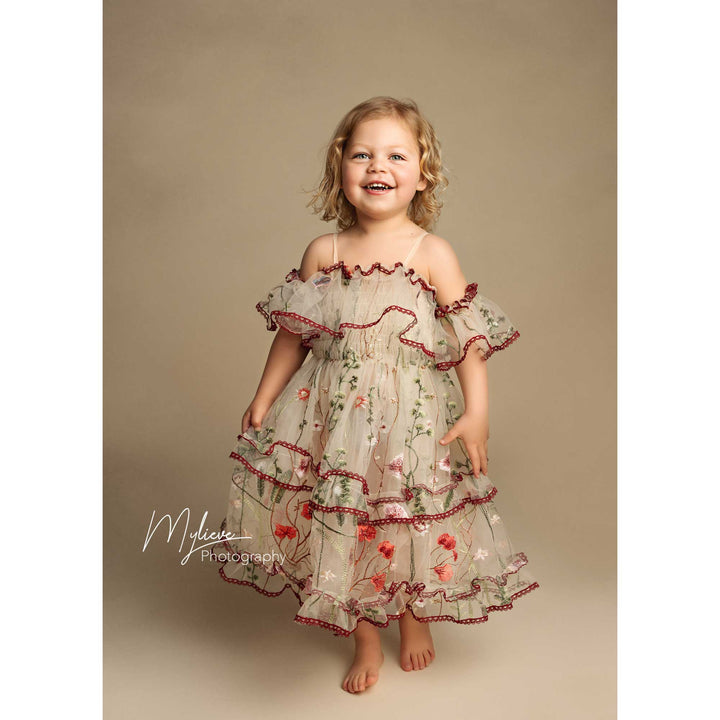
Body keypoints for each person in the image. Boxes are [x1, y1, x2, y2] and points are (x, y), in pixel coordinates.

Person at [212, 96, 539, 694]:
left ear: (423, 174)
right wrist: (263, 397)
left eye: (395, 156)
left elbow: (468, 340)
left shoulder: (431, 253)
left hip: (410, 420)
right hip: (331, 419)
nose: (377, 167)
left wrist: (478, 413)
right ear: (340, 168)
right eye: (361, 155)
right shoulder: (324, 251)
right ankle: (363, 635)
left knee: (402, 515)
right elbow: (293, 335)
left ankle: (413, 615)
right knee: (346, 519)